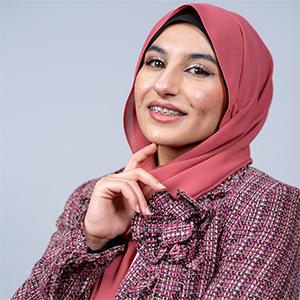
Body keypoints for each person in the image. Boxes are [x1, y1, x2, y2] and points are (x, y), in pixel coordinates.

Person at [13, 2, 300, 300]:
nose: (164, 85)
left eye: (198, 70)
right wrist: (94, 242)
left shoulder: (268, 206)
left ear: (240, 95)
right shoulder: (92, 197)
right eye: (155, 63)